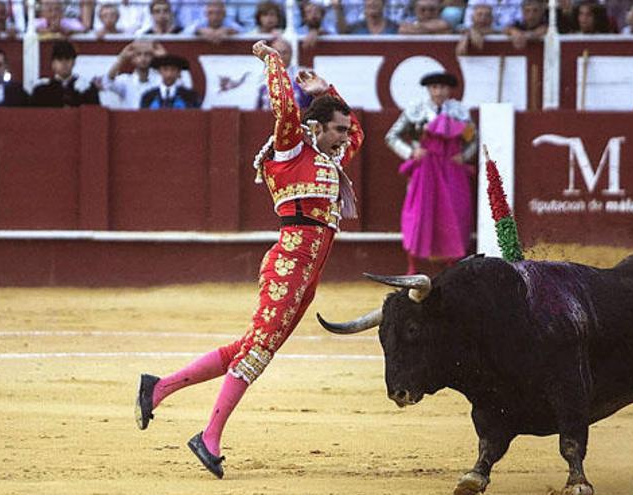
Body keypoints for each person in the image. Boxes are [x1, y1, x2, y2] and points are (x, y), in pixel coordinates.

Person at [135, 39, 364, 479]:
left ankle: (158, 388)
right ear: (314, 127)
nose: (342, 136)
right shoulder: (292, 149)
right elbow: (283, 107)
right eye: (334, 129)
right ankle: (209, 437)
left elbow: (356, 131)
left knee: (247, 348)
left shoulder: (331, 160)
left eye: (341, 131)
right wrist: (272, 59)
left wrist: (326, 89)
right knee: (257, 352)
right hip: (287, 266)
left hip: (308, 273)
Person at [384, 71, 476, 275]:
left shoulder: (460, 112)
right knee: (419, 214)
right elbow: (391, 136)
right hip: (424, 172)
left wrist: (464, 155)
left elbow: (473, 140)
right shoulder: (416, 110)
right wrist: (411, 152)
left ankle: (452, 266)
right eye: (435, 87)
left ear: (450, 90)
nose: (439, 91)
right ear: (428, 90)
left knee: (454, 214)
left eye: (443, 87)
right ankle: (413, 266)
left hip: (451, 171)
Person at [30, 41, 100, 107]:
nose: (64, 63)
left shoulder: (87, 89)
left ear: (73, 62)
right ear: (53, 64)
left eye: (67, 59)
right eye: (60, 59)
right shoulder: (42, 90)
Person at [100, 40, 166, 110]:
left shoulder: (160, 79)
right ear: (132, 59)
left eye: (147, 54)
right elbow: (108, 82)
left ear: (152, 58)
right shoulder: (125, 80)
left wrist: (165, 58)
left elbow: (177, 82)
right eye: (138, 54)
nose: (143, 58)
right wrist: (121, 59)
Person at [256, 37, 312, 110]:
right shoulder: (261, 76)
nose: (281, 56)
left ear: (291, 54)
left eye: (284, 52)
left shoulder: (302, 75)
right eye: (277, 52)